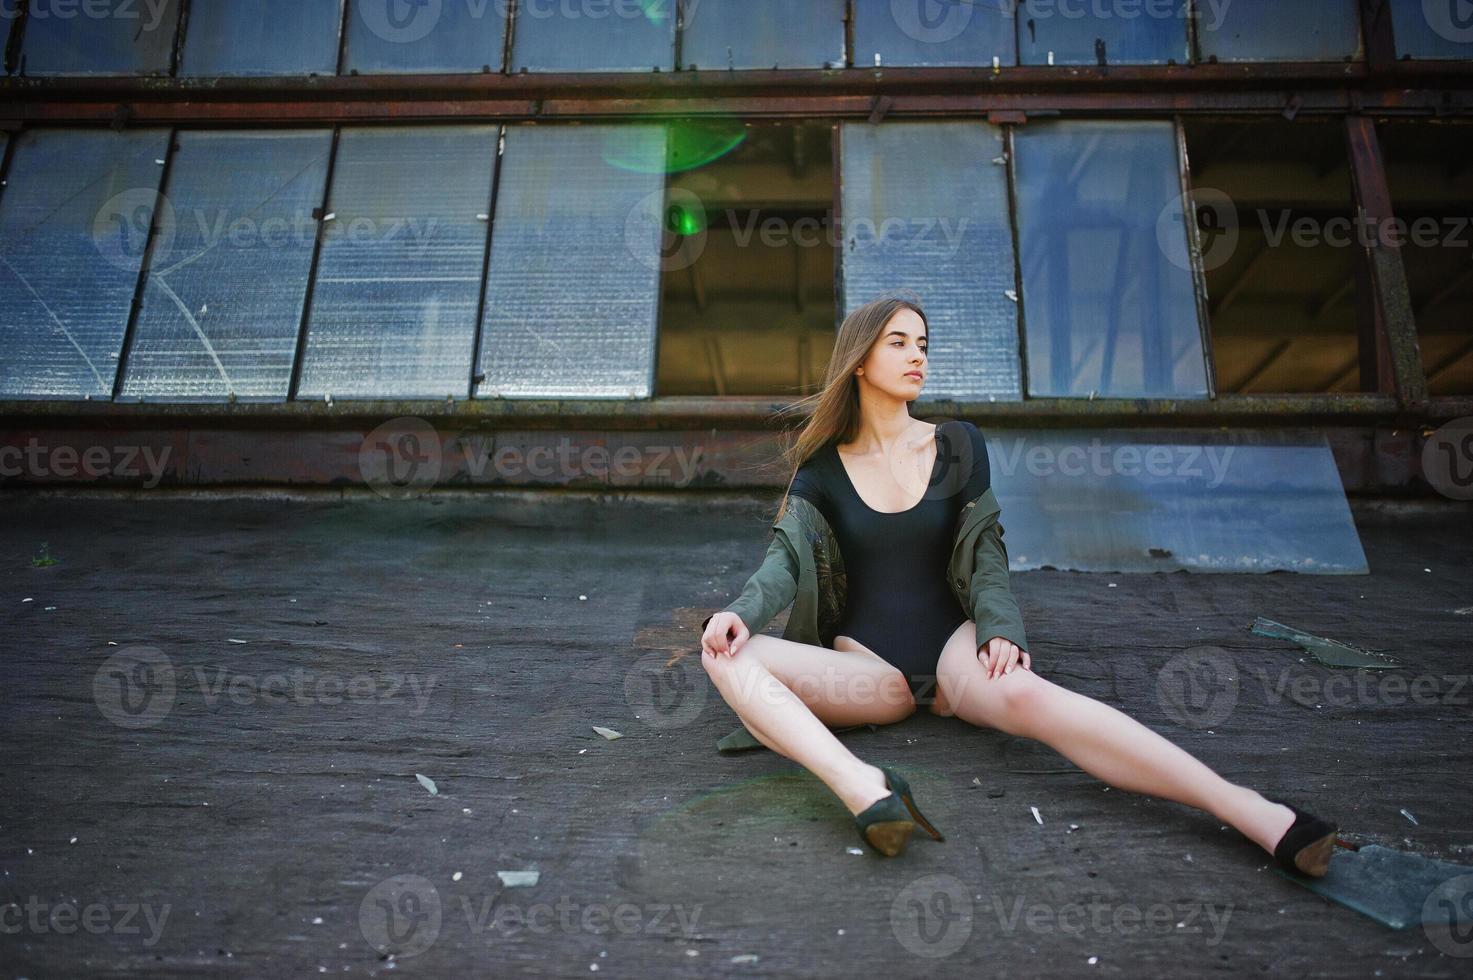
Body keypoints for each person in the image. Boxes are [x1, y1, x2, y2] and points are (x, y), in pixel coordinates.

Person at [700, 294, 1339, 868]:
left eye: (923, 343)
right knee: (726, 651)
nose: (916, 355)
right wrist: (740, 613)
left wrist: (1000, 628)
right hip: (868, 674)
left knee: (1043, 703)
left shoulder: (958, 445)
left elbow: (986, 554)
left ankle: (1255, 814)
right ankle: (866, 788)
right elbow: (783, 564)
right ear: (860, 361)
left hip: (955, 656)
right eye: (898, 341)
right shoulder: (822, 469)